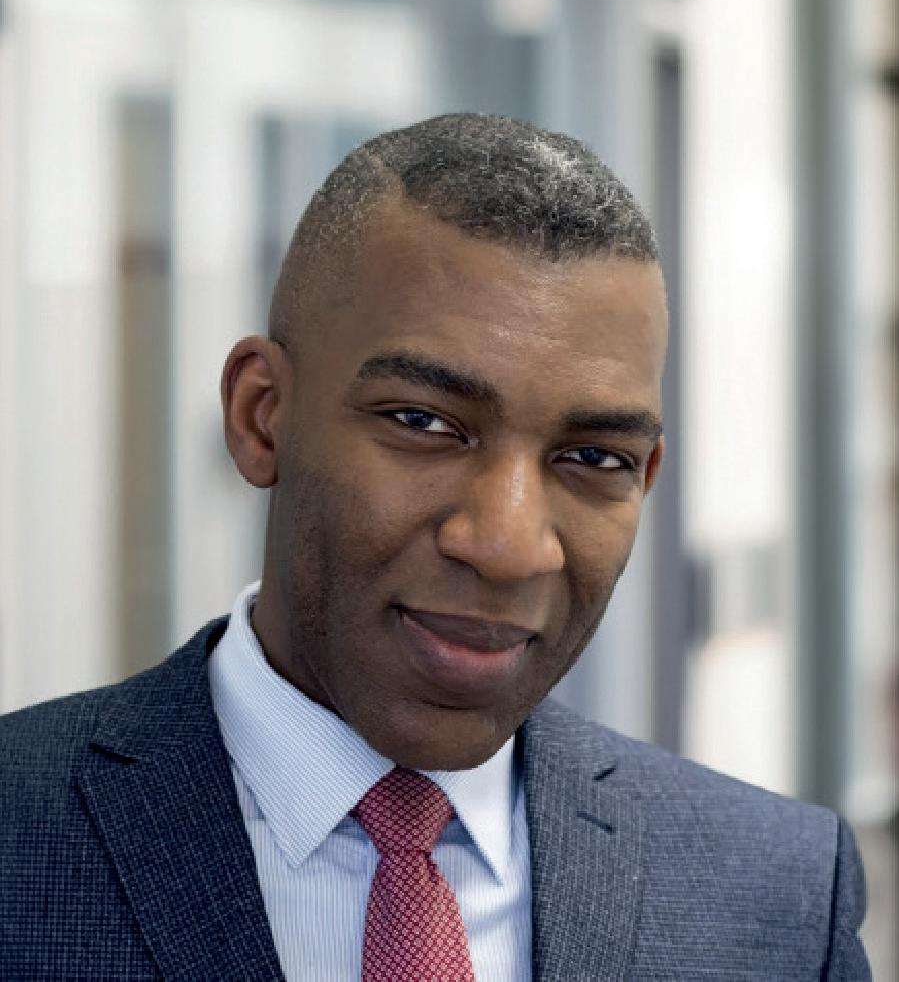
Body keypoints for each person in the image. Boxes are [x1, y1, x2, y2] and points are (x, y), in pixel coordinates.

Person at [0, 113, 869, 980]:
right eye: (422, 422)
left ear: (643, 478)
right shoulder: (21, 834)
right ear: (261, 416)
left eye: (594, 458)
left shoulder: (778, 899)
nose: (507, 546)